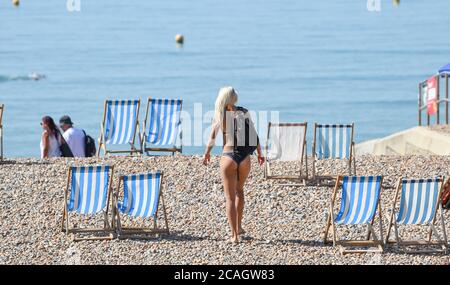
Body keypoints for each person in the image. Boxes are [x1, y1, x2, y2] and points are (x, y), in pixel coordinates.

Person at [203, 87, 264, 244]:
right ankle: (239, 227)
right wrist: (260, 154)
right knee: (239, 191)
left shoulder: (219, 116)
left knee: (229, 197)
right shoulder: (244, 112)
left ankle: (234, 236)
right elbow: (254, 136)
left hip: (228, 156)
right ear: (234, 98)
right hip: (244, 158)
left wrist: (207, 153)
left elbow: (212, 138)